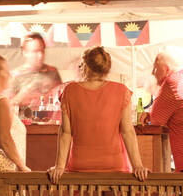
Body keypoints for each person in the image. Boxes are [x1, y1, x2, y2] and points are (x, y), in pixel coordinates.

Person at [49, 46, 149, 180]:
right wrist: (138, 166)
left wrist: (60, 166)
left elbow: (65, 132)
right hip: (114, 164)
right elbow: (127, 132)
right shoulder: (121, 91)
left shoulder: (70, 91)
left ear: (86, 66)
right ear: (107, 68)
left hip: (81, 165)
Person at [9, 32, 62, 110]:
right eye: (35, 51)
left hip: (49, 116)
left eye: (42, 51)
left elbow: (62, 99)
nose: (40, 56)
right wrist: (24, 93)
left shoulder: (52, 72)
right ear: (25, 52)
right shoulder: (14, 76)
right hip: (25, 117)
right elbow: (6, 106)